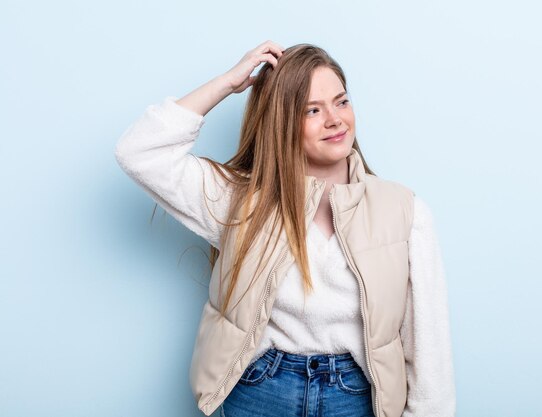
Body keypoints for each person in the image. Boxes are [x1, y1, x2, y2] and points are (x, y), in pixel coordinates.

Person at [114, 40, 456, 417]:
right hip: (260, 388)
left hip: (356, 394)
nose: (335, 119)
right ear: (282, 120)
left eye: (341, 101)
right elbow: (139, 152)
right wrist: (228, 83)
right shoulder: (239, 201)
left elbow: (428, 346)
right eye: (312, 109)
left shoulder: (405, 212)